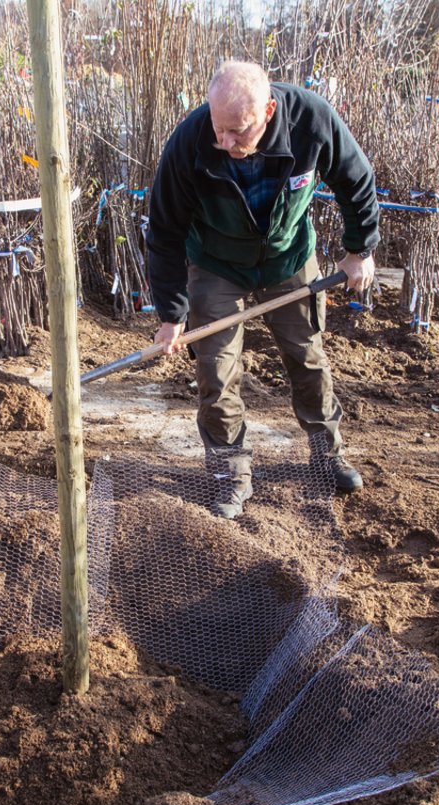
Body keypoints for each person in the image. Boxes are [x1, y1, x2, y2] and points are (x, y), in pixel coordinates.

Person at [145, 60, 379, 519]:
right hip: (215, 262)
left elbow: (357, 180)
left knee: (306, 355)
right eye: (219, 129)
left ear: (269, 110)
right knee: (216, 369)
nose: (226, 142)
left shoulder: (310, 120)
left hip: (286, 256)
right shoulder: (191, 140)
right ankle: (228, 470)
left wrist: (359, 250)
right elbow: (164, 231)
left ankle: (326, 454)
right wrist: (171, 315)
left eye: (239, 130)